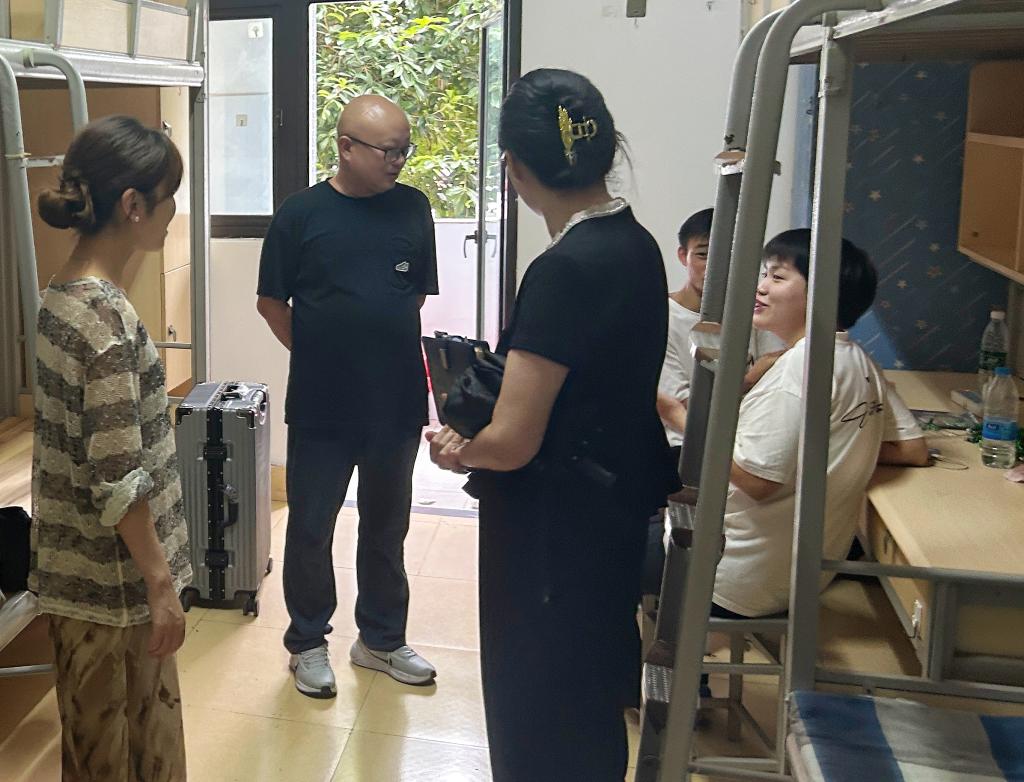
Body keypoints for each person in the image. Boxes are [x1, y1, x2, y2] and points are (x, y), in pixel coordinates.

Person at [428, 69, 678, 781]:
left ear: (513, 168)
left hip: (551, 532)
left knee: (536, 706)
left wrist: (458, 451)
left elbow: (513, 442)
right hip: (610, 515)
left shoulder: (565, 268)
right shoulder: (636, 244)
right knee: (588, 699)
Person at [257, 95, 438, 697]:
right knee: (311, 527)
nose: (398, 161)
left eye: (404, 149)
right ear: (346, 148)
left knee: (387, 528)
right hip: (322, 404)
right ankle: (308, 643)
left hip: (397, 402)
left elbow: (413, 295)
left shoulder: (414, 207)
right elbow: (271, 302)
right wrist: (320, 355)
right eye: (388, 151)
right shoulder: (301, 214)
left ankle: (381, 640)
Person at [31, 115, 191, 781]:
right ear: (133, 205)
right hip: (113, 595)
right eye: (168, 196)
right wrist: (161, 585)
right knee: (129, 762)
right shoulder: (105, 323)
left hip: (78, 582)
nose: (174, 212)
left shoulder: (60, 297)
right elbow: (119, 477)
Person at [713, 229, 928, 619]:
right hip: (797, 573)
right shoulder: (856, 359)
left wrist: (685, 420)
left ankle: (682, 655)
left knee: (611, 550)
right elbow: (913, 448)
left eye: (778, 277)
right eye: (765, 274)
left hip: (737, 577)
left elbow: (758, 482)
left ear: (822, 293)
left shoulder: (800, 369)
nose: (761, 287)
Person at [656, 207, 786, 444]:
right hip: (686, 446)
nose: (715, 266)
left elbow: (777, 379)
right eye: (703, 255)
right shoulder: (662, 316)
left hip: (750, 440)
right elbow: (683, 405)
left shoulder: (753, 310)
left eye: (729, 255)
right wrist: (750, 379)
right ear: (683, 255)